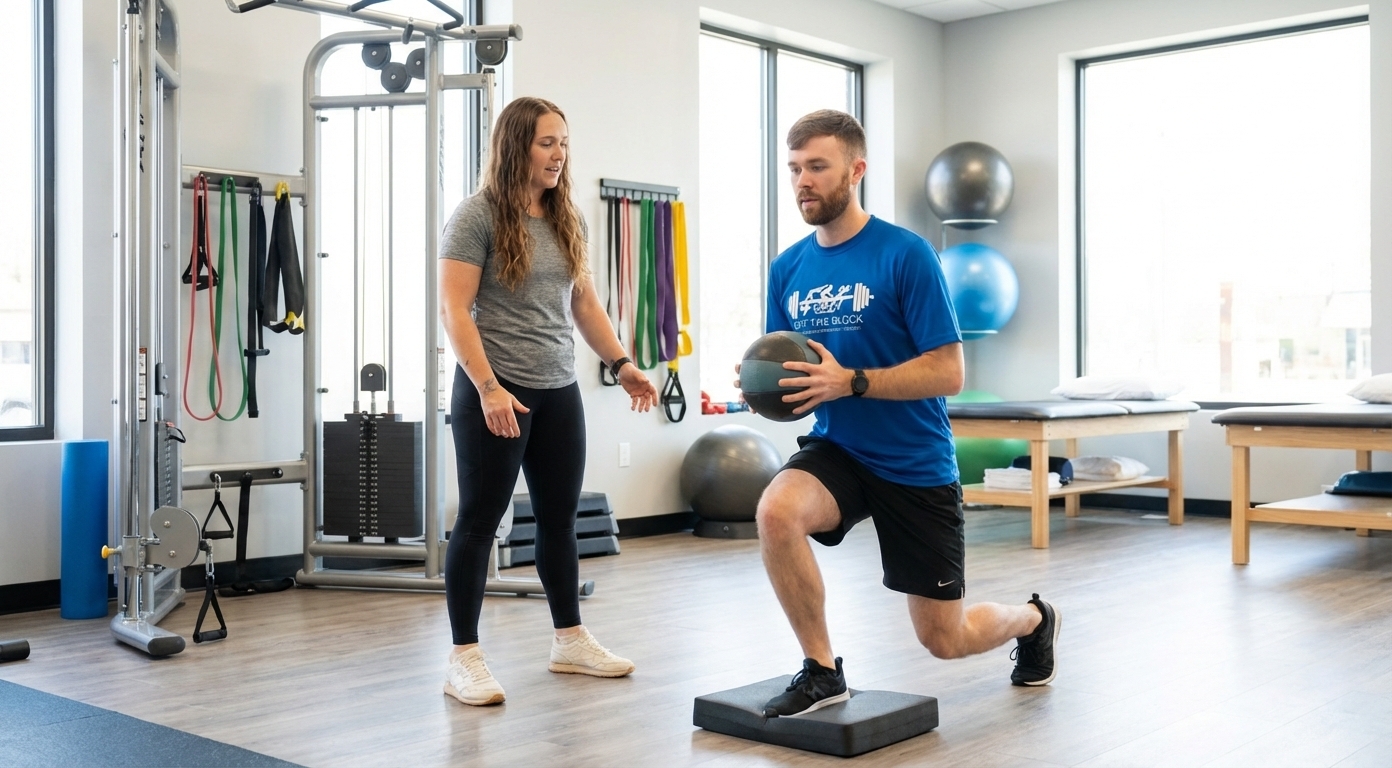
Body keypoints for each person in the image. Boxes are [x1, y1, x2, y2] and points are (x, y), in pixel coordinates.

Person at [747, 109, 1060, 718]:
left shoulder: (906, 254)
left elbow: (949, 372)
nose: (803, 181)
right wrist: (762, 386)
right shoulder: (788, 269)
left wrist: (852, 381)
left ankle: (1034, 619)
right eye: (794, 169)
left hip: (914, 461)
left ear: (855, 170)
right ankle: (822, 671)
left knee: (944, 638)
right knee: (776, 512)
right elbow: (789, 368)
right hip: (839, 449)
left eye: (817, 166)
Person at [437, 96, 658, 707]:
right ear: (517, 147)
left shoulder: (567, 216)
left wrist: (621, 364)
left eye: (564, 142)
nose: (559, 154)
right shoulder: (476, 216)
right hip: (495, 388)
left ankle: (570, 640)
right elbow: (454, 309)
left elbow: (583, 302)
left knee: (558, 520)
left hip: (558, 388)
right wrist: (488, 388)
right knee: (480, 521)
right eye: (547, 143)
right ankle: (463, 658)